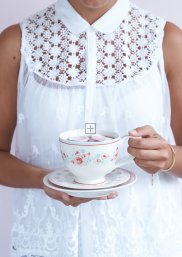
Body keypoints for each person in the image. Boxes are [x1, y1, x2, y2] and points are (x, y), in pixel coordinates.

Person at [0, 0, 182, 256]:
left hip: (144, 243)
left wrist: (168, 157)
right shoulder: (17, 42)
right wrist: (45, 181)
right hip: (47, 243)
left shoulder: (166, 40)